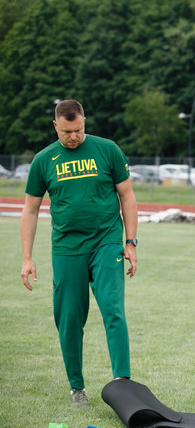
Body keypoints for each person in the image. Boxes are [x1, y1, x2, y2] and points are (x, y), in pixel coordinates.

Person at [20, 100, 138, 407]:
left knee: (112, 308)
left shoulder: (107, 150)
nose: (74, 136)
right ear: (55, 126)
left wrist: (130, 242)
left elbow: (127, 195)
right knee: (69, 318)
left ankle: (123, 383)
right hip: (67, 248)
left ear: (85, 121)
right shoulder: (44, 160)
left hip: (106, 242)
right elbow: (30, 210)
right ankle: (77, 388)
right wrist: (27, 257)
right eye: (68, 131)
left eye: (79, 129)